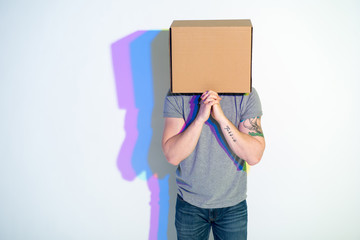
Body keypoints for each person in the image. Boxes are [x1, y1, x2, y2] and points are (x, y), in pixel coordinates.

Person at [162, 88, 265, 240]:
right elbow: (172, 156)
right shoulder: (178, 92)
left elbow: (254, 156)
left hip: (233, 205)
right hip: (190, 204)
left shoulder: (246, 93)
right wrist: (200, 119)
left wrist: (221, 118)